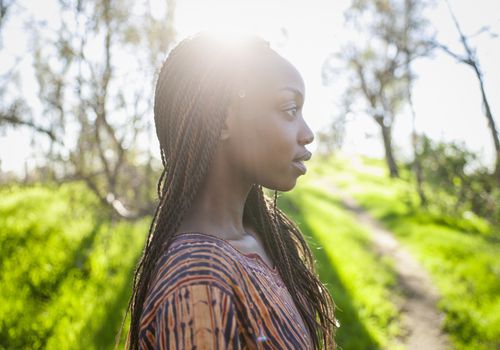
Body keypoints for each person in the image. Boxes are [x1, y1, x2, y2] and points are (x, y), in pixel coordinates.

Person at [123, 31, 337, 349]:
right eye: (290, 109)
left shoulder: (258, 237)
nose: (307, 133)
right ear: (222, 118)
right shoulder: (198, 280)